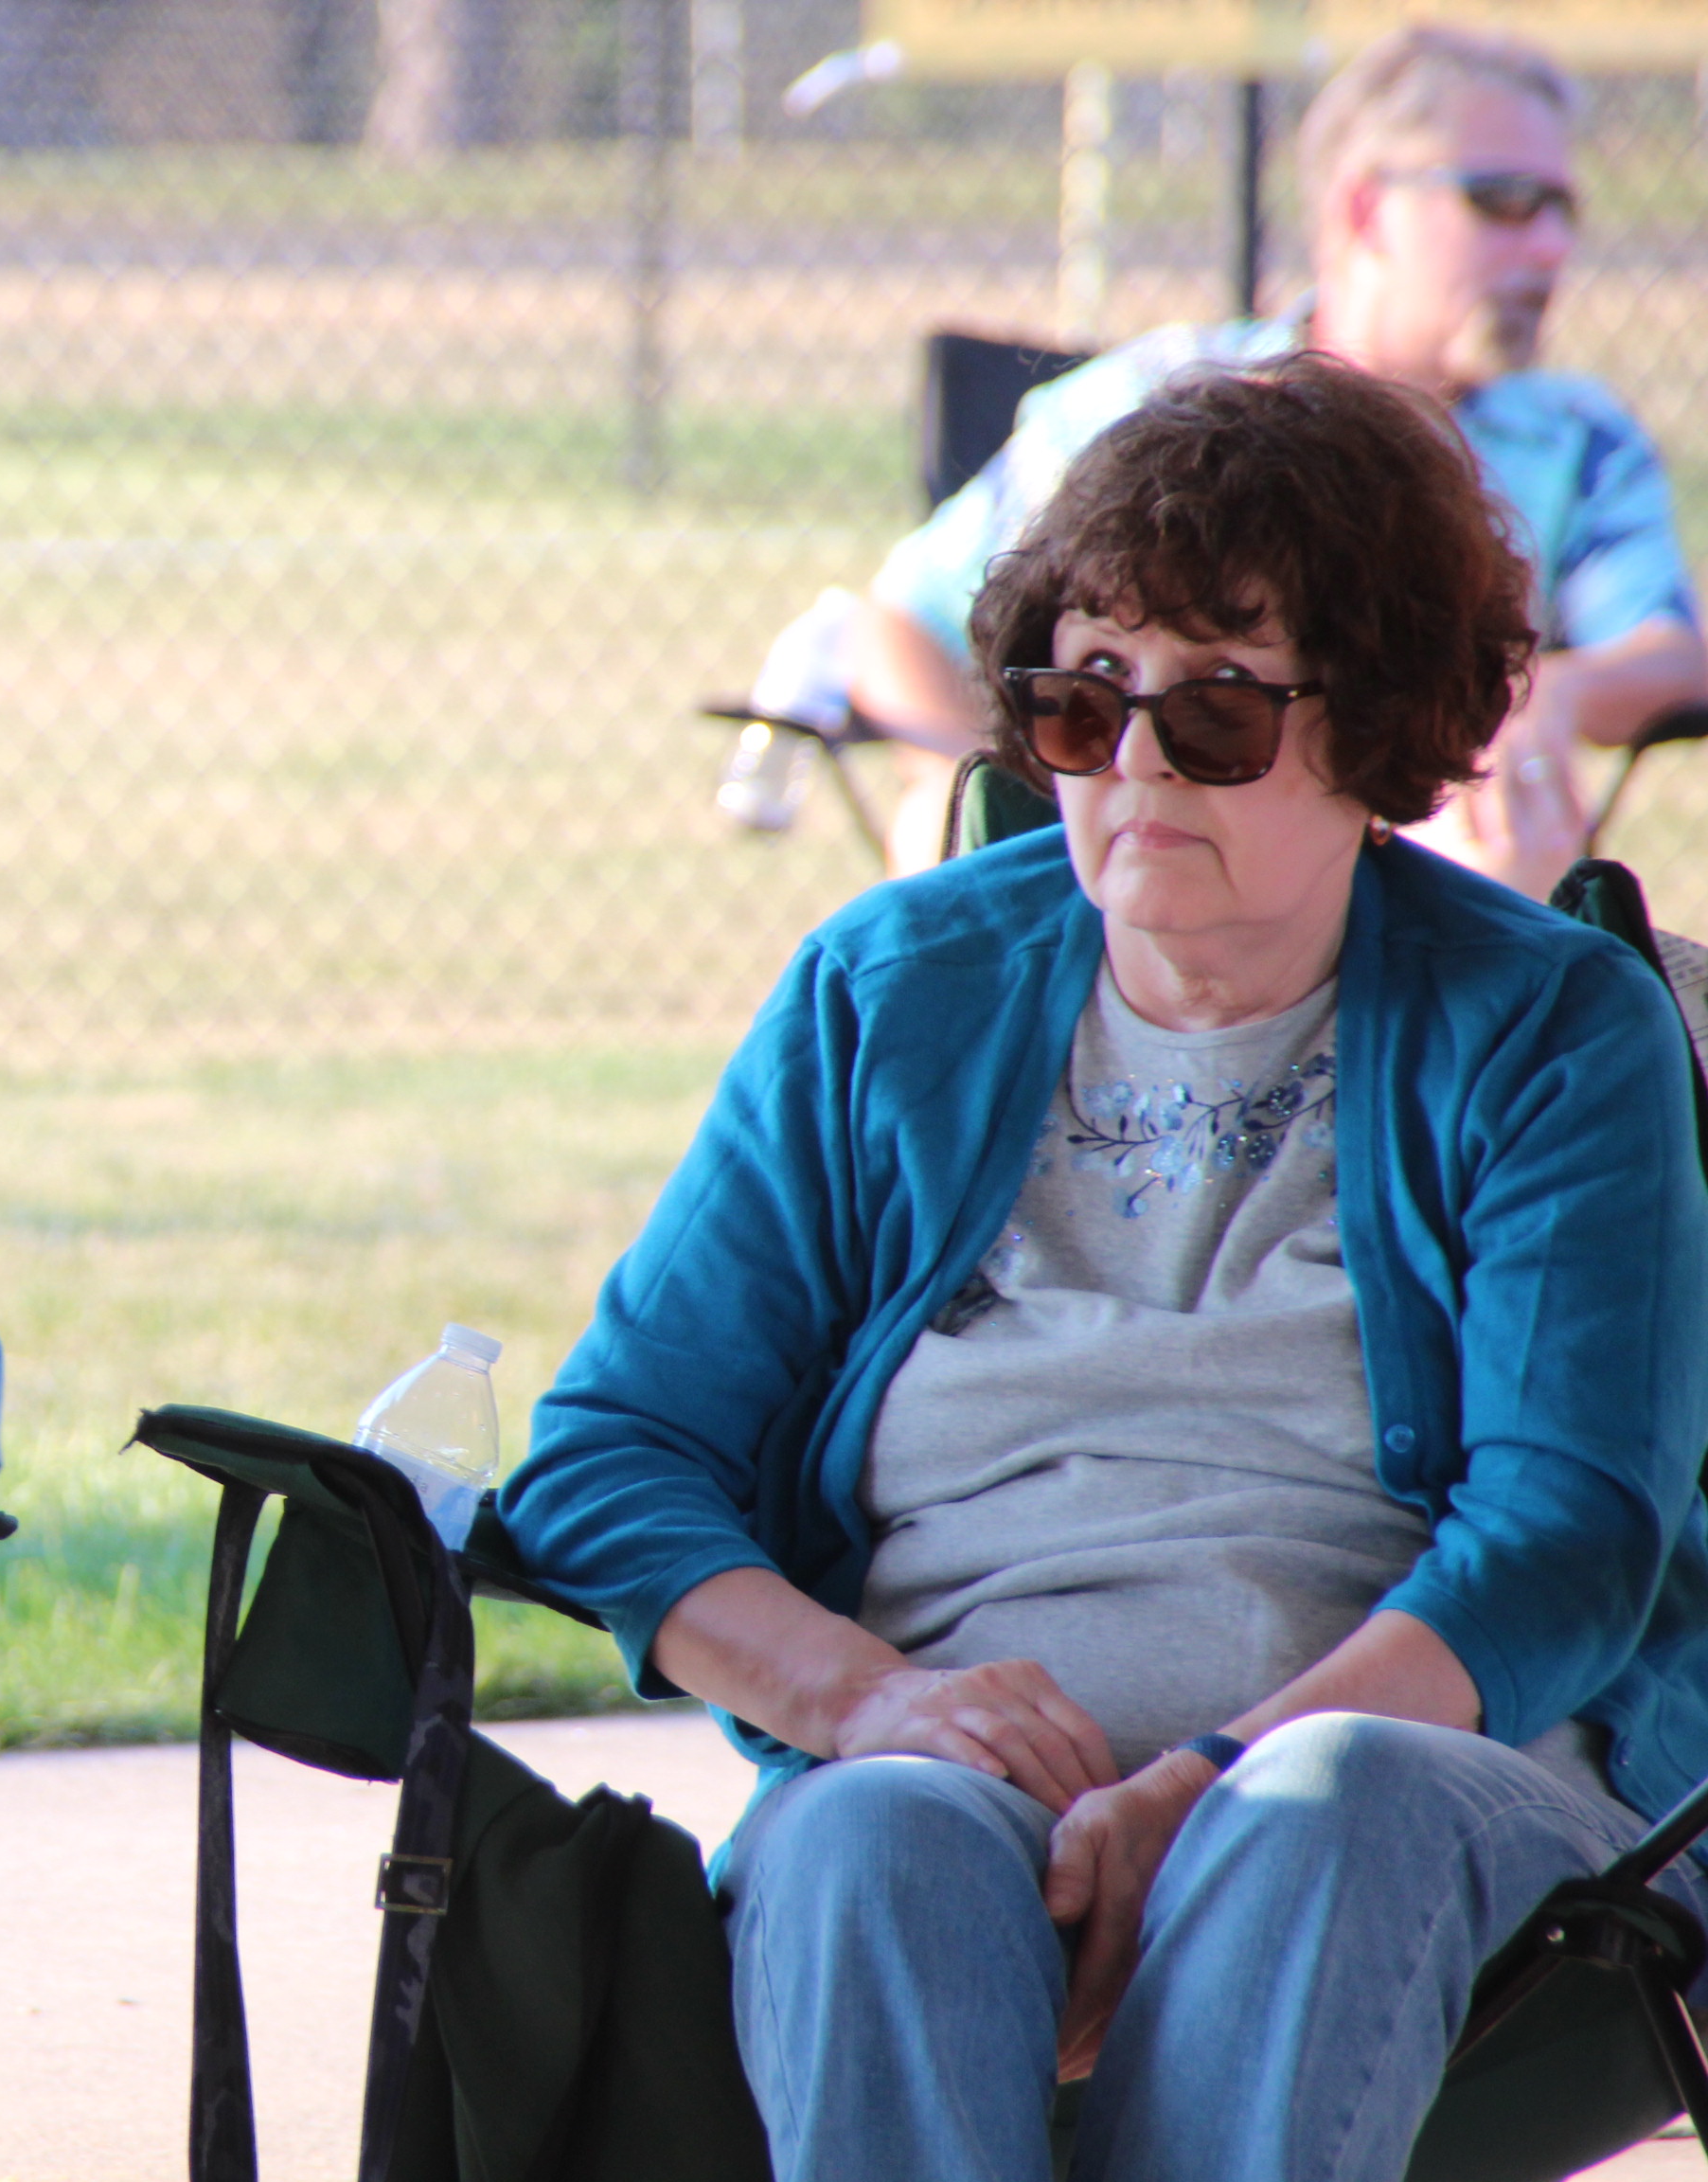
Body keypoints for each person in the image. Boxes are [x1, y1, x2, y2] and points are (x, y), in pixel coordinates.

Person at [506, 353, 1708, 2181]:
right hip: (952, 1772)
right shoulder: (884, 995)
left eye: (1217, 715)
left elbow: (1566, 1534)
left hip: (1423, 1777)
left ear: (1375, 722)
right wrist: (871, 1701)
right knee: (873, 1832)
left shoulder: (1547, 1027)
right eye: (1082, 703)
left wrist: (1202, 1778)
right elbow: (607, 1460)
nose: (1136, 763)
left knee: (1316, 1810)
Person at [848, 25, 1706, 890]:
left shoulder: (1574, 437)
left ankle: (1476, 1021)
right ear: (1365, 208)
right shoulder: (1156, 402)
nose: (1552, 248)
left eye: (1565, 209)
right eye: (1506, 200)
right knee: (945, 826)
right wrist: (994, 792)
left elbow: (1666, 649)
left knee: (1487, 826)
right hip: (1128, 846)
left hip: (1417, 851)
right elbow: (901, 621)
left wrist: (1540, 697)